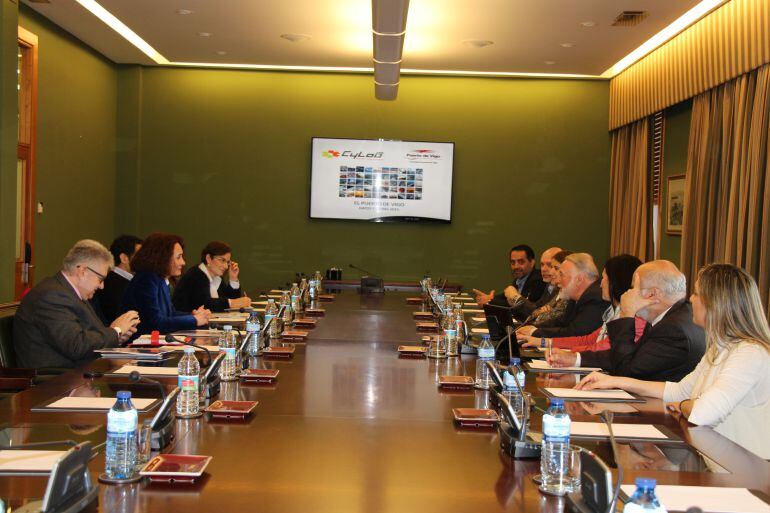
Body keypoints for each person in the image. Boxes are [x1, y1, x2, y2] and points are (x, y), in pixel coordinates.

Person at [576, 264, 770, 458]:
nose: (691, 299)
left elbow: (702, 413)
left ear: (715, 304)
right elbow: (678, 390)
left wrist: (683, 404)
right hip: (718, 459)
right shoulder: (720, 349)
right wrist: (614, 381)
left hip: (748, 471)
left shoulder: (750, 353)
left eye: (696, 293)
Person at [550, 260, 705, 382]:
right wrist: (575, 358)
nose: (628, 294)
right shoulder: (669, 317)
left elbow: (627, 369)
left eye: (633, 288)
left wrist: (627, 313)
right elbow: (626, 356)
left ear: (652, 294)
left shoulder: (674, 329)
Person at [13, 240, 140, 369]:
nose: (101, 286)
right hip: (54, 381)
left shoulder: (71, 294)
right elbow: (76, 346)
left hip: (80, 373)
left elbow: (90, 335)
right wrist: (116, 331)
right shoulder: (52, 296)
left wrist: (117, 337)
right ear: (82, 271)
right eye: (101, 279)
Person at [520, 254, 645, 352]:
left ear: (616, 282)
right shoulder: (613, 310)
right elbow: (589, 340)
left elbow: (602, 347)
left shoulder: (598, 299)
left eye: (605, 279)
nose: (601, 284)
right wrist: (543, 342)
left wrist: (572, 356)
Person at [121, 233, 211, 336]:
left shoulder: (158, 279)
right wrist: (194, 320)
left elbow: (170, 314)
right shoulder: (146, 279)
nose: (183, 262)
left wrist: (193, 315)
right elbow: (155, 323)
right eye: (178, 257)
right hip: (138, 346)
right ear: (163, 258)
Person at [517, 252, 609, 339]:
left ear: (579, 279)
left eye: (562, 275)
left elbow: (575, 333)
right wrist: (531, 327)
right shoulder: (575, 297)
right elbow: (560, 322)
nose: (558, 280)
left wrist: (535, 332)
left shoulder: (596, 298)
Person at [173, 241, 252, 312]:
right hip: (185, 326)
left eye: (227, 262)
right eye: (222, 260)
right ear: (208, 258)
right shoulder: (196, 275)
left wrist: (233, 278)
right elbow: (204, 304)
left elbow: (230, 298)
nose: (226, 266)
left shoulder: (217, 277)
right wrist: (232, 303)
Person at [473, 244, 547, 308]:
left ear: (532, 263)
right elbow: (505, 298)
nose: (516, 266)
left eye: (521, 262)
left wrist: (490, 301)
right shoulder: (519, 279)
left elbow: (522, 305)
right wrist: (490, 298)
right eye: (512, 262)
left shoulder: (538, 279)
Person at [92, 234, 142, 324]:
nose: (144, 260)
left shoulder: (129, 281)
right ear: (124, 258)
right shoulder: (110, 283)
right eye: (139, 255)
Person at [503, 247, 562, 321]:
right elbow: (536, 310)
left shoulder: (562, 290)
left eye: (550, 265)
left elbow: (537, 314)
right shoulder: (549, 285)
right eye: (542, 264)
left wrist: (516, 298)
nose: (543, 269)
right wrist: (515, 305)